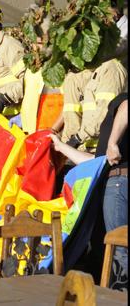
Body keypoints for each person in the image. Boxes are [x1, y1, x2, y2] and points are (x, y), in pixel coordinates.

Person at [50, 92, 127, 290]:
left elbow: (127, 106)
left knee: (118, 246)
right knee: (112, 248)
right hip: (114, 181)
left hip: (119, 183)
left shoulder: (122, 102)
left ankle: (119, 297)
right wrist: (61, 147)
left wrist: (112, 143)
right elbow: (97, 162)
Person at [56, 59, 127, 152]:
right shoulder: (77, 75)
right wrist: (66, 144)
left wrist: (76, 140)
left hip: (102, 150)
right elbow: (72, 115)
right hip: (80, 150)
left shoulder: (111, 69)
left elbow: (104, 115)